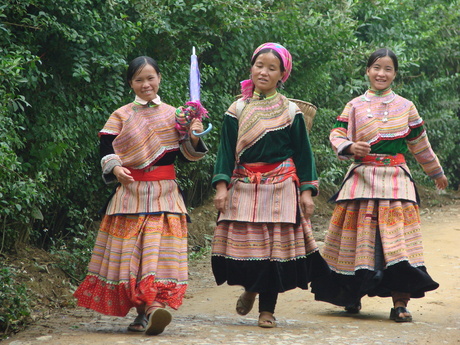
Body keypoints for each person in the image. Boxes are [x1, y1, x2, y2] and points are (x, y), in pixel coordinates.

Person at [311, 48, 448, 322]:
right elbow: (337, 133)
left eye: (387, 69)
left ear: (395, 74)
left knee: (398, 244)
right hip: (361, 179)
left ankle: (400, 303)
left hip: (396, 181)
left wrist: (436, 173)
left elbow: (420, 145)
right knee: (356, 241)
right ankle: (351, 297)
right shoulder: (354, 105)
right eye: (376, 67)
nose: (381, 73)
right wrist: (350, 146)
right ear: (367, 71)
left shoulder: (406, 107)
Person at [73, 56, 208, 335]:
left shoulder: (177, 114)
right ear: (131, 83)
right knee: (132, 257)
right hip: (130, 196)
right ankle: (145, 311)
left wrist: (194, 136)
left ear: (159, 78)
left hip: (165, 196)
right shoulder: (121, 115)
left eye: (150, 78)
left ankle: (152, 308)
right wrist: (116, 167)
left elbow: (188, 155)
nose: (146, 84)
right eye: (139, 79)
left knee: (159, 256)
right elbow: (106, 148)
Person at [211, 42, 330, 328]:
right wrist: (221, 186)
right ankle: (250, 288)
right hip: (244, 185)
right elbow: (226, 151)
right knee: (250, 249)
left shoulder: (291, 111)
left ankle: (267, 310)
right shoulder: (237, 108)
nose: (263, 72)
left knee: (274, 253)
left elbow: (304, 154)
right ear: (251, 69)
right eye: (259, 65)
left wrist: (307, 192)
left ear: (282, 75)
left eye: (271, 68)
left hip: (281, 186)